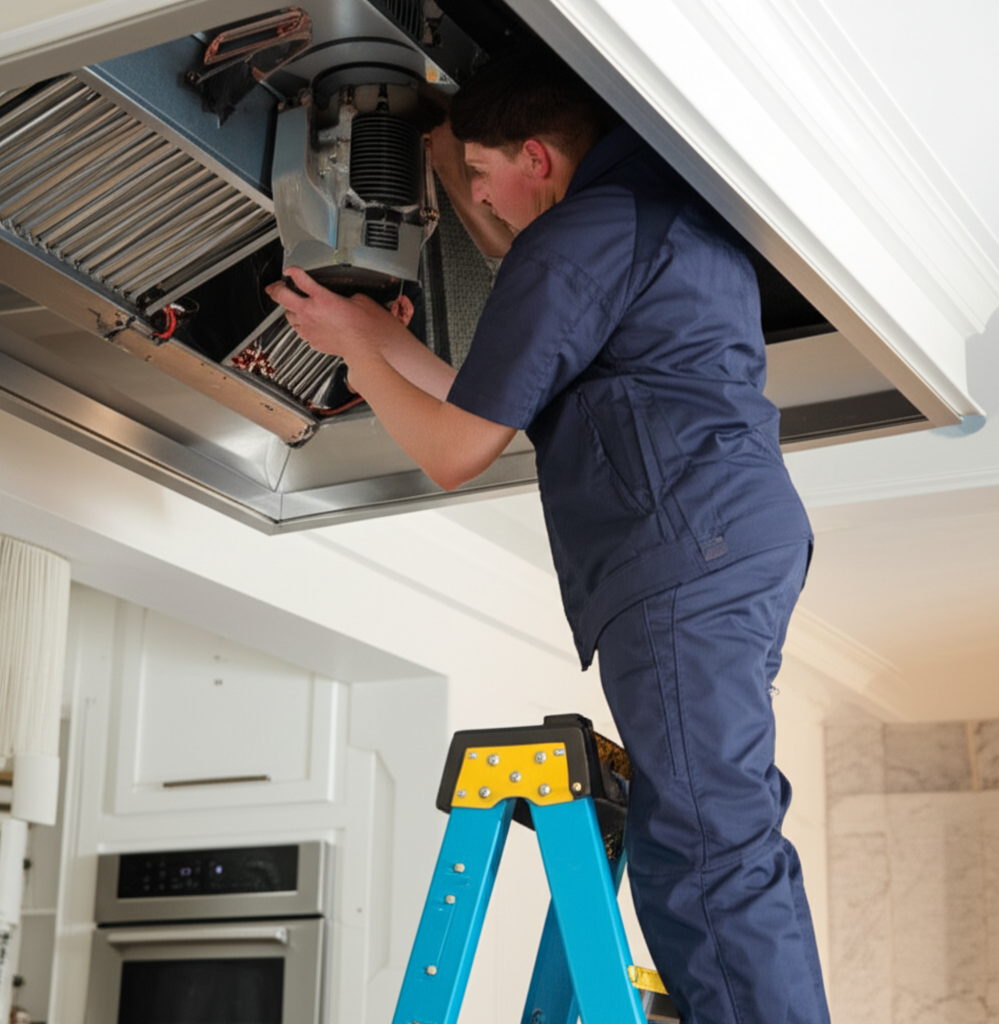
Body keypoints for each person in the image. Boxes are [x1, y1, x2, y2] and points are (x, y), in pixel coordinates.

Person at [267, 43, 830, 1024]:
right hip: (727, 539)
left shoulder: (578, 237)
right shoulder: (654, 219)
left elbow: (453, 452)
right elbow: (493, 406)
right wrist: (378, 343)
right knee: (712, 813)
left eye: (481, 177)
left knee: (704, 827)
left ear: (535, 156)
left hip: (681, 548)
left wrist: (362, 354)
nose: (480, 204)